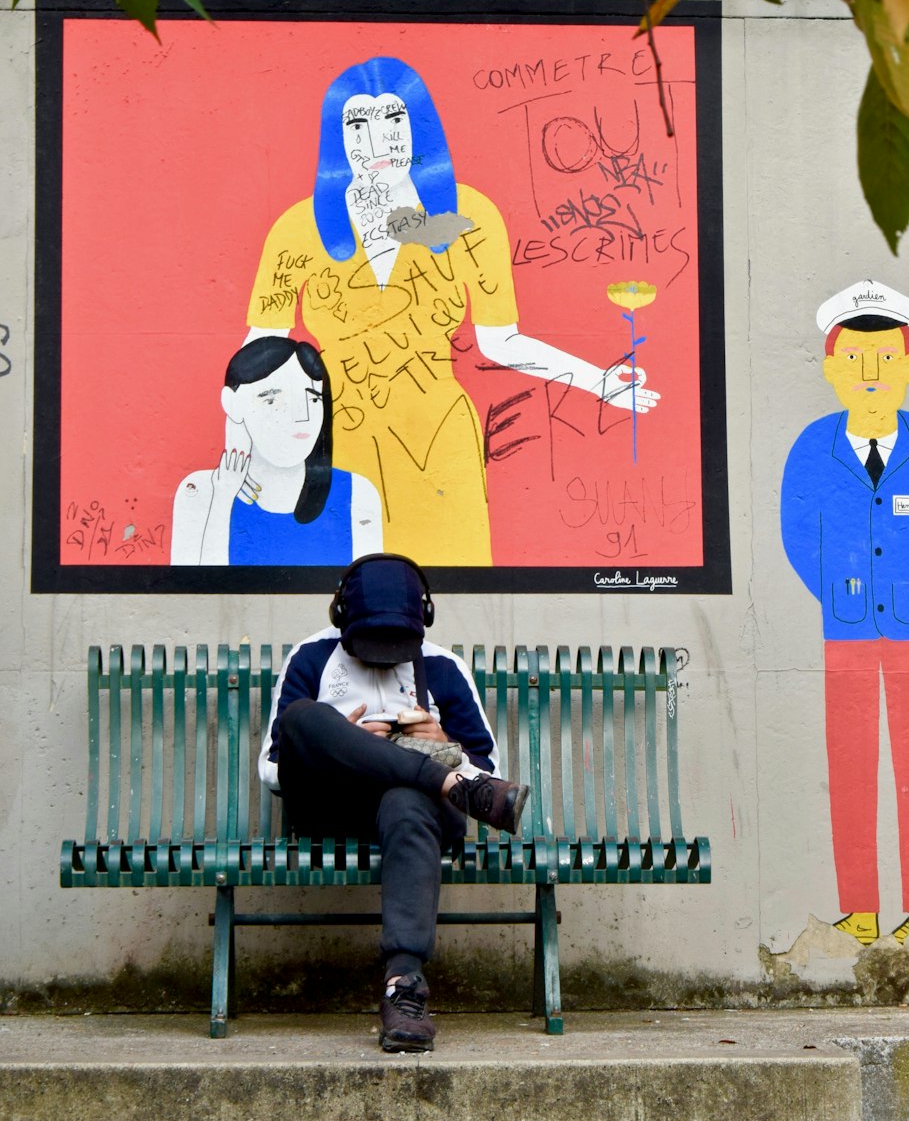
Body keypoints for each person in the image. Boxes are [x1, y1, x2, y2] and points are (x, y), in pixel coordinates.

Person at [243, 56, 659, 566]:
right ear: (337, 136)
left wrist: (600, 381)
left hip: (438, 437)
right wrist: (245, 443)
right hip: (336, 437)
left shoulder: (471, 219)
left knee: (450, 583)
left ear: (419, 125)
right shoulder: (297, 228)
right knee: (342, 588)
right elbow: (260, 348)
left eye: (394, 120)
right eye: (358, 124)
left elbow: (500, 340)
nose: (378, 143)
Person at [259, 552, 530, 1050]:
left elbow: (486, 773)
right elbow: (273, 769)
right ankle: (442, 782)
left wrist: (445, 741)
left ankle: (403, 986)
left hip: (416, 817)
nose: (383, 653)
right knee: (304, 717)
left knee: (407, 798)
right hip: (331, 809)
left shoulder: (444, 666)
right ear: (341, 618)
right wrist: (347, 743)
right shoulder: (311, 657)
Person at [780, 279, 909, 946]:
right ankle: (860, 911)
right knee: (852, 764)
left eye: (887, 358)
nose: (871, 373)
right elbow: (797, 535)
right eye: (856, 360)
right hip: (848, 626)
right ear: (831, 368)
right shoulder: (814, 447)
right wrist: (845, 590)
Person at [171, 337, 382, 565]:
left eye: (313, 398)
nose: (302, 417)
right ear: (232, 404)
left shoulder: (356, 493)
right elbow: (194, 593)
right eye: (272, 399)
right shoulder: (200, 491)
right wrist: (222, 500)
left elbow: (368, 593)